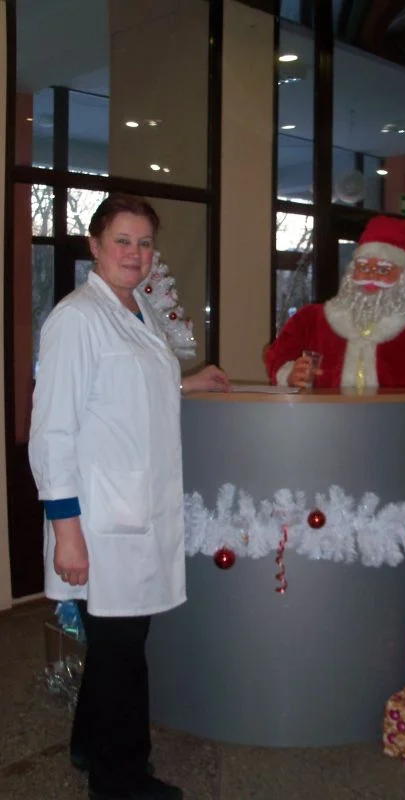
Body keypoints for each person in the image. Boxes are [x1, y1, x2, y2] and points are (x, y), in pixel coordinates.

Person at [29, 194, 229, 800]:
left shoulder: (136, 308)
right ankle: (120, 781)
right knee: (122, 655)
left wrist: (187, 382)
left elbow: (131, 385)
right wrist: (66, 531)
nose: (135, 254)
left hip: (134, 510)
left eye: (144, 243)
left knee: (117, 645)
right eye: (122, 240)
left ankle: (88, 745)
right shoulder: (76, 319)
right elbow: (52, 432)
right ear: (94, 245)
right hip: (98, 521)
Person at [264, 215, 405, 416]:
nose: (370, 276)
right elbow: (276, 357)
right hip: (325, 431)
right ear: (351, 272)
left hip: (398, 437)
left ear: (404, 278)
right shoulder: (310, 320)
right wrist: (291, 374)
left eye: (383, 269)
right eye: (363, 266)